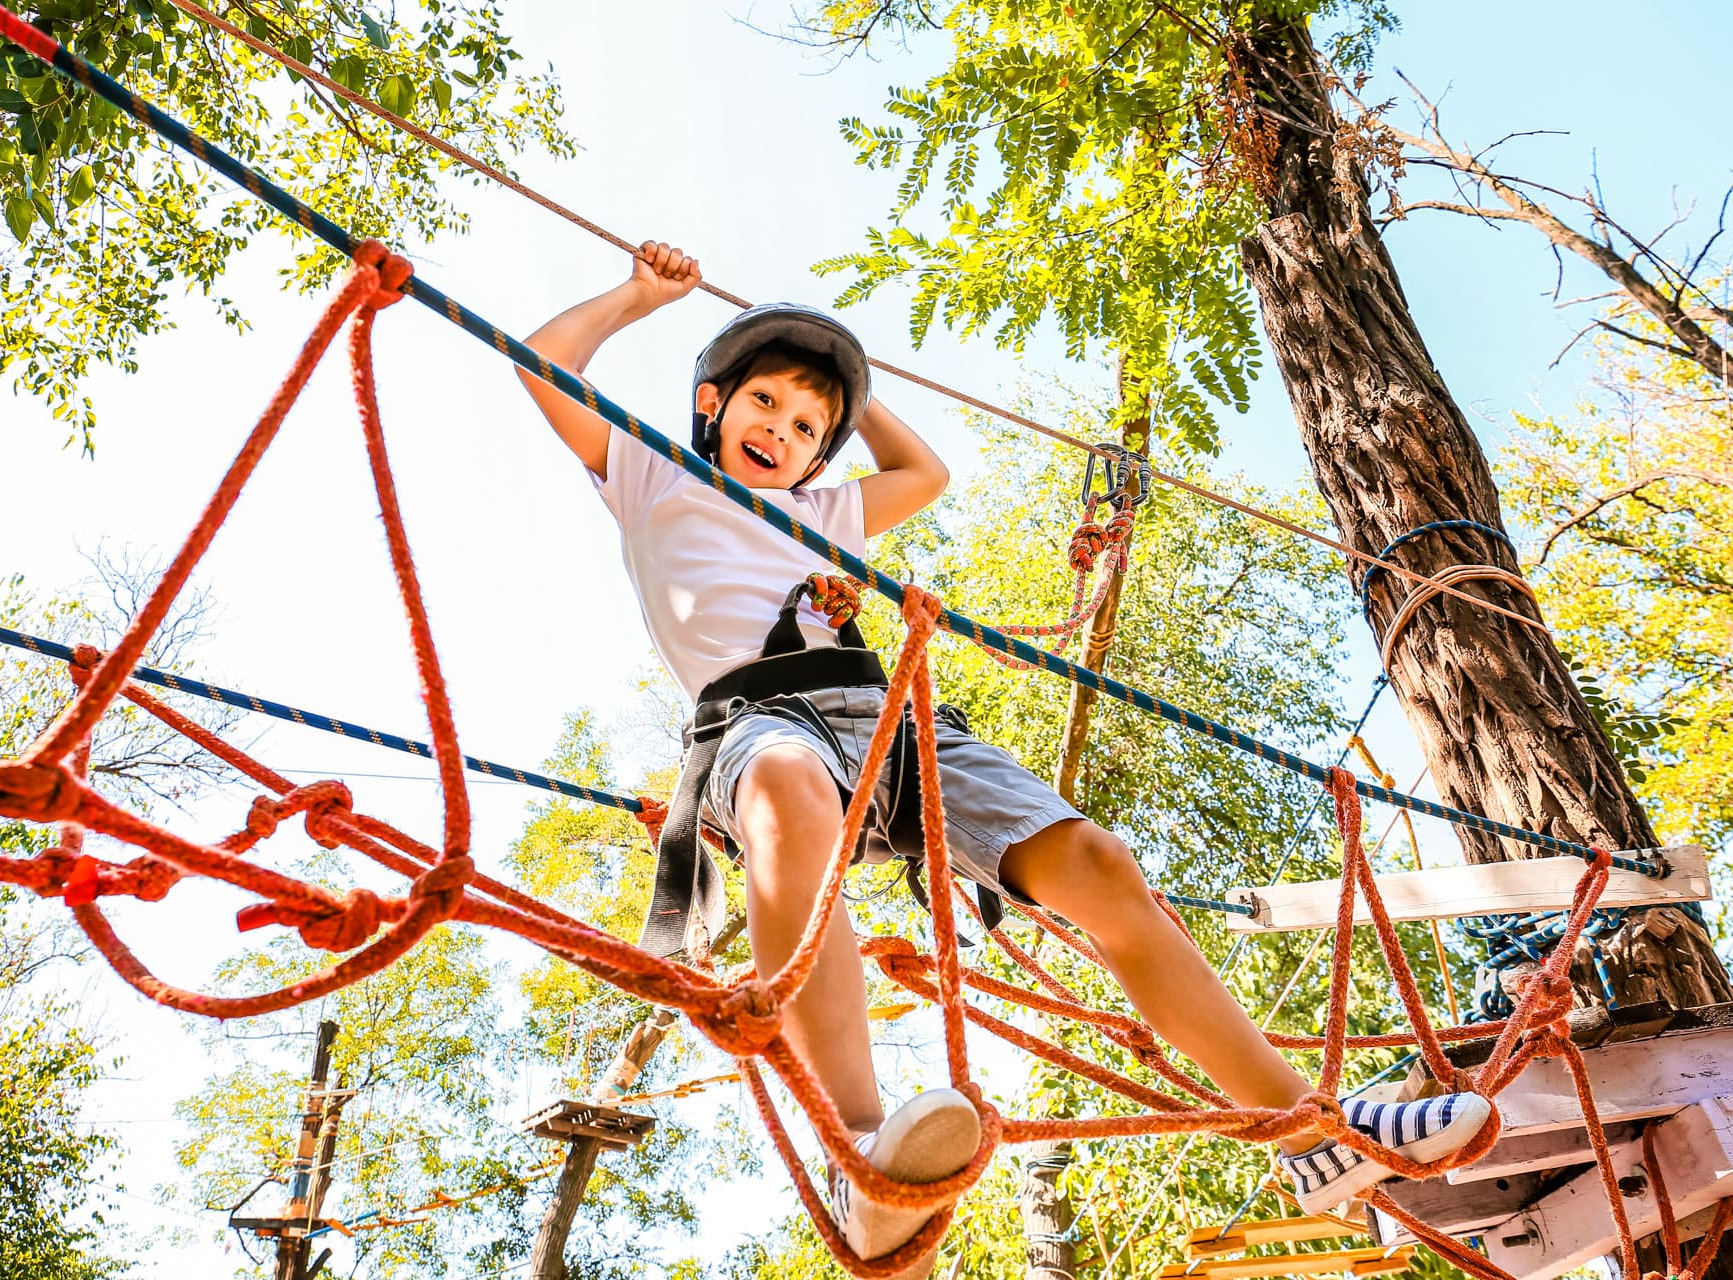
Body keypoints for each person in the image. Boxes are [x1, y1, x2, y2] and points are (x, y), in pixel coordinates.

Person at [518, 242, 1490, 1275]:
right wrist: (642, 294)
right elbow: (541, 361)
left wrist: (857, 390)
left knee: (1103, 867)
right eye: (764, 403)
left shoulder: (824, 508)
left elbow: (923, 473)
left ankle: (1305, 1131)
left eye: (808, 426)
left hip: (885, 712)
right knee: (782, 790)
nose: (783, 431)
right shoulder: (651, 472)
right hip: (758, 721)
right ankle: (862, 1159)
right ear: (712, 402)